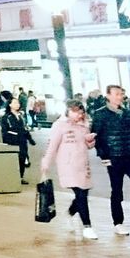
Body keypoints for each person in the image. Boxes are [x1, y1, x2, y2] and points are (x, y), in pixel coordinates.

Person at [91, 84, 130, 237]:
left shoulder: (126, 113)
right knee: (117, 191)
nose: (120, 97)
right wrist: (104, 157)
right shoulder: (100, 114)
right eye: (117, 94)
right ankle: (118, 223)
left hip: (129, 156)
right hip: (113, 158)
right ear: (108, 96)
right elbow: (96, 137)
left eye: (121, 94)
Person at [39, 99, 98, 240]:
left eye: (81, 113)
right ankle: (87, 226)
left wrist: (91, 140)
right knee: (81, 194)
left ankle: (70, 214)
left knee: (82, 195)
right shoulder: (59, 126)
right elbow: (52, 145)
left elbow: (88, 146)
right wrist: (45, 163)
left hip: (83, 166)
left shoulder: (84, 126)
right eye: (77, 112)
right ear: (69, 111)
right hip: (68, 166)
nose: (80, 115)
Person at [0, 98, 33, 184]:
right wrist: (7, 141)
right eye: (15, 103)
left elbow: (25, 128)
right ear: (10, 105)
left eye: (17, 103)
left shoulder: (21, 116)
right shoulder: (6, 117)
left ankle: (21, 177)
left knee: (23, 159)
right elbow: (4, 131)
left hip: (22, 141)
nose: (17, 104)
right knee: (15, 160)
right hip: (13, 142)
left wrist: (30, 139)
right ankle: (13, 177)